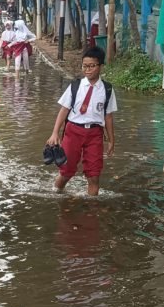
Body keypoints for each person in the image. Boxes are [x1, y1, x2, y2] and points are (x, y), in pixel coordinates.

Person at [45, 46, 116, 196]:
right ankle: (56, 194)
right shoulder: (75, 87)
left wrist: (111, 140)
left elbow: (108, 116)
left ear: (101, 66)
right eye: (85, 66)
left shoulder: (107, 89)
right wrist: (55, 133)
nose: (87, 70)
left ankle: (90, 212)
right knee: (66, 172)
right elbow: (64, 110)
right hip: (73, 131)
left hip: (95, 134)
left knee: (94, 175)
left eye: (92, 66)